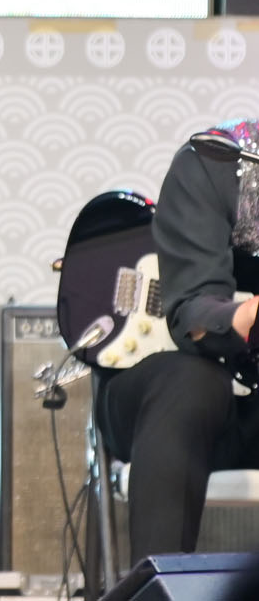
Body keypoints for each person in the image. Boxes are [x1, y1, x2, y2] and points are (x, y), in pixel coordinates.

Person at [94, 122, 259, 562]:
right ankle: (159, 586)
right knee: (193, 381)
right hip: (170, 399)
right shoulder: (218, 161)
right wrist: (247, 316)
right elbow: (193, 310)